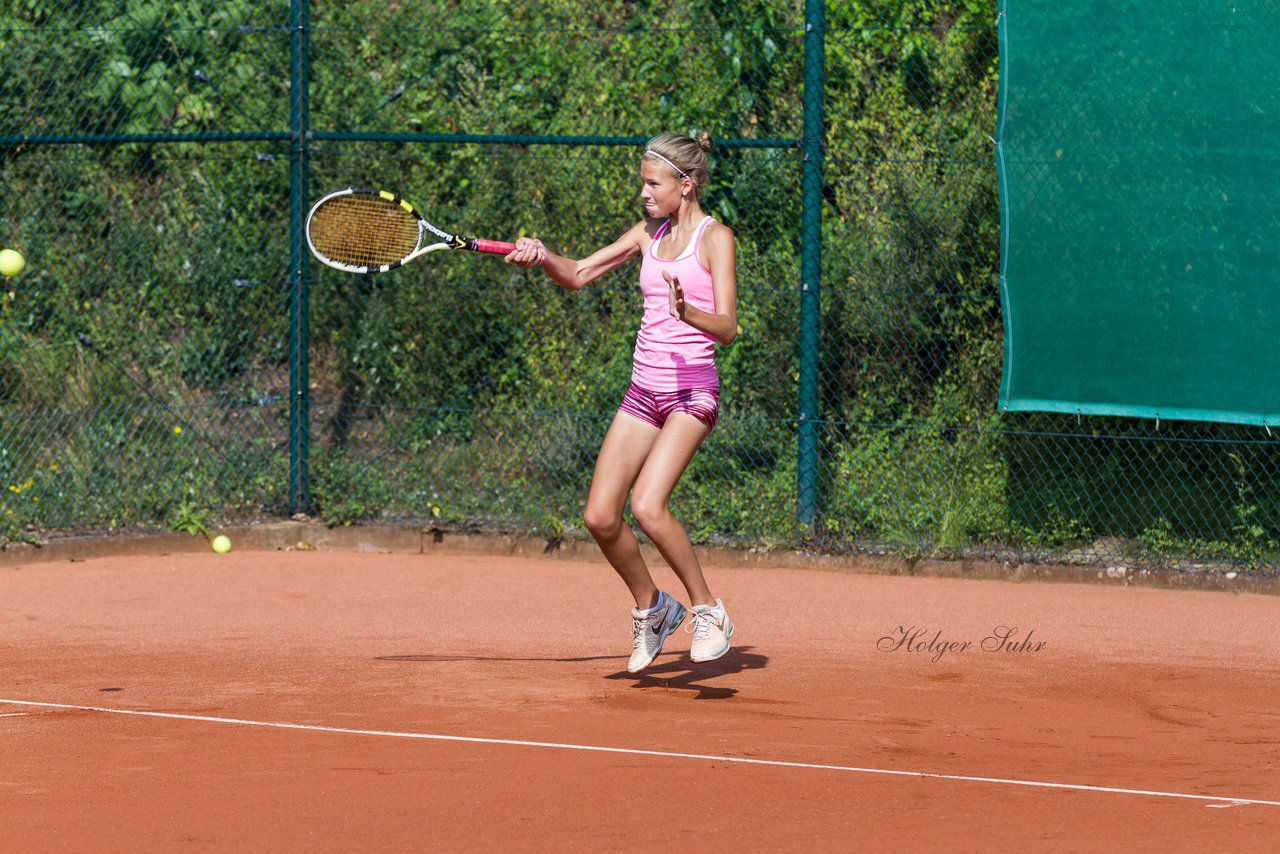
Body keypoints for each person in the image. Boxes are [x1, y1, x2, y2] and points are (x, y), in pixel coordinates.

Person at [506, 132, 738, 674]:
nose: (643, 192)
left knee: (648, 506)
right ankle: (653, 609)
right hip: (644, 391)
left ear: (687, 184)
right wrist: (541, 257)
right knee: (600, 515)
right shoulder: (645, 235)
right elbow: (578, 274)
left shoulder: (715, 238)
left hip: (691, 392)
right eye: (642, 181)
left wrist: (689, 315)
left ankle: (708, 610)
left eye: (653, 183)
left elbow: (727, 327)